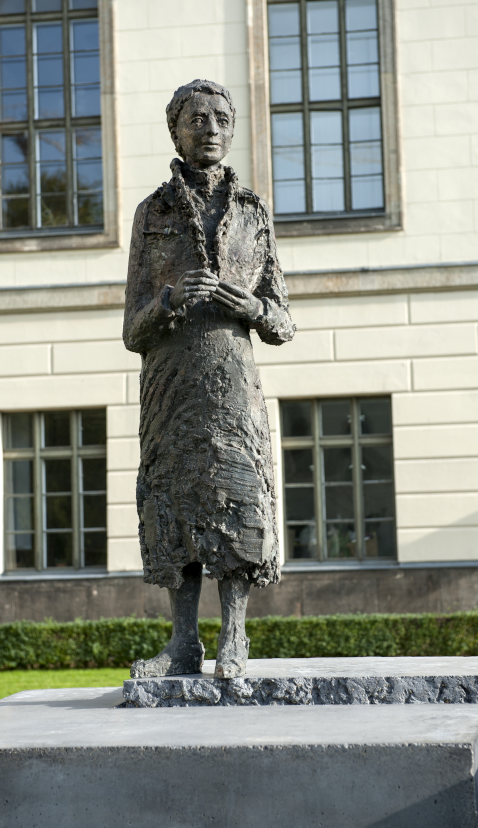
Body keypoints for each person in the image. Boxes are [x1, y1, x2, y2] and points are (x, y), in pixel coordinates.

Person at [123, 79, 295, 679]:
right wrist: (168, 301)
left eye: (222, 118)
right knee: (172, 503)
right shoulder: (153, 213)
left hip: (232, 381)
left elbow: (283, 321)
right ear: (176, 130)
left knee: (240, 497)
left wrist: (248, 306)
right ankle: (182, 643)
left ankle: (235, 638)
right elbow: (131, 328)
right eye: (198, 118)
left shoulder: (253, 213)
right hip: (170, 385)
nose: (212, 128)